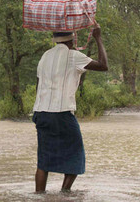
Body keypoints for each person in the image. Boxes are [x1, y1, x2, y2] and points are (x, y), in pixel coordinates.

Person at [32, 27, 108, 193]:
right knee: (76, 155)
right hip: (62, 113)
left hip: (41, 112)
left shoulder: (44, 56)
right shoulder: (74, 57)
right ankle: (65, 193)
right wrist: (98, 37)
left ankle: (39, 197)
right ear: (71, 40)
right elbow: (103, 65)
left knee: (43, 160)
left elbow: (39, 86)